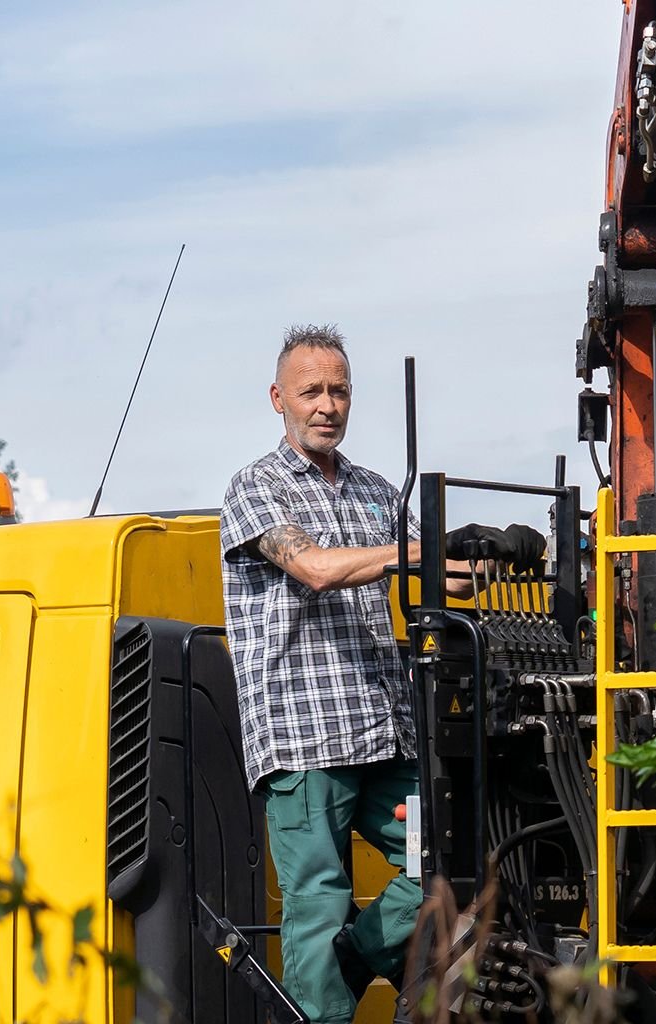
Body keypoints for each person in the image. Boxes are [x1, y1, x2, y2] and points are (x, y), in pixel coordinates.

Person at [219, 323, 440, 1021]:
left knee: (447, 859)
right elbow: (312, 568)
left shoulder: (378, 491)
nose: (327, 405)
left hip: (383, 723)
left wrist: (474, 556)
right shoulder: (257, 486)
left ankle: (349, 961)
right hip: (303, 731)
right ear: (277, 397)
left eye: (339, 390)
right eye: (311, 391)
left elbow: (428, 573)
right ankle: (324, 1005)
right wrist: (408, 553)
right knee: (318, 898)